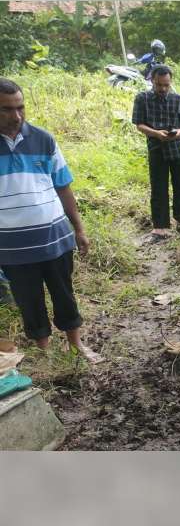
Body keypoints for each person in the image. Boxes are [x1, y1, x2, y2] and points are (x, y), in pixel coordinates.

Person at [0, 78, 102, 362]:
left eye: (20, 107)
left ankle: (76, 345)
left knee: (64, 293)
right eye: (6, 109)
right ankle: (45, 352)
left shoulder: (43, 139)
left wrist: (79, 229)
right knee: (28, 299)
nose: (16, 116)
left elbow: (63, 186)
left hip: (54, 237)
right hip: (12, 246)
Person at [132, 65, 180, 240]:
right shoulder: (142, 98)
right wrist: (156, 133)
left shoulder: (179, 100)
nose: (163, 89)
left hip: (179, 150)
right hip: (156, 149)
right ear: (152, 80)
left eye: (166, 85)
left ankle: (179, 220)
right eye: (159, 85)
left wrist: (178, 133)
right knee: (158, 188)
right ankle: (160, 227)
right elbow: (139, 124)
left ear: (170, 82)